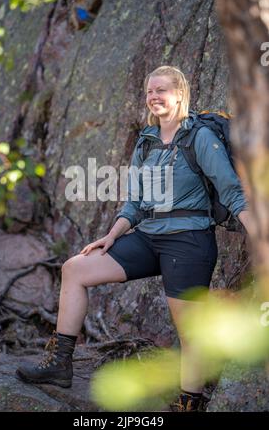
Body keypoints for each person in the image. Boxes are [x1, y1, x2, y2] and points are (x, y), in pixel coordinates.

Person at [16, 65, 251, 412]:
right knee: (75, 269)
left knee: (189, 333)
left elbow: (233, 194)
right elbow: (135, 203)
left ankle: (189, 404)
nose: (154, 97)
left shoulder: (200, 137)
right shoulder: (147, 141)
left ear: (180, 94)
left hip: (189, 242)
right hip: (148, 238)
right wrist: (110, 236)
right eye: (149, 92)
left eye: (161, 90)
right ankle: (59, 365)